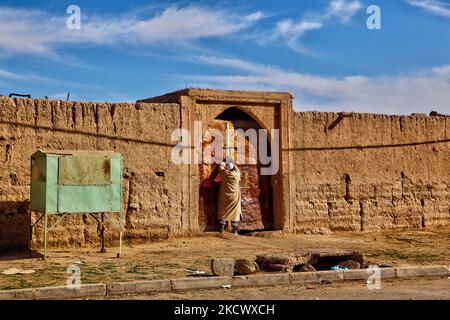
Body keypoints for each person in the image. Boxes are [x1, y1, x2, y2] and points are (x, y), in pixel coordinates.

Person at [217, 161, 242, 234]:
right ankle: (235, 228)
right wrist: (233, 163)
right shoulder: (237, 174)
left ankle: (222, 227)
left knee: (223, 210)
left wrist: (223, 163)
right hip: (234, 197)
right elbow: (237, 169)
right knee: (235, 211)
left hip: (224, 197)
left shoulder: (224, 174)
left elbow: (220, 167)